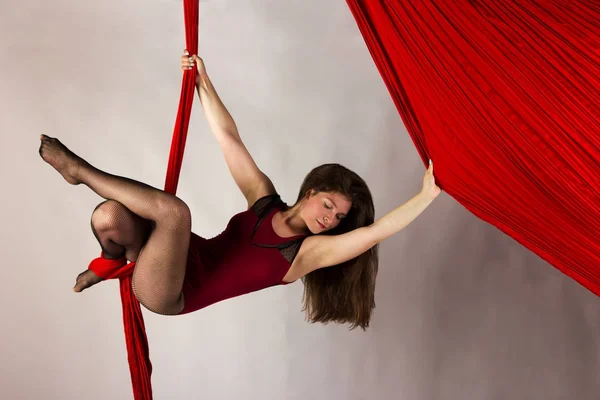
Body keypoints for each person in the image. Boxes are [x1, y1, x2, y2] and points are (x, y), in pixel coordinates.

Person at [38, 50, 441, 330]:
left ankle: (79, 172)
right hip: (172, 253)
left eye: (337, 219)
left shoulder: (306, 254)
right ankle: (109, 261)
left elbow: (373, 233)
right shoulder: (265, 202)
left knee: (175, 213)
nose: (330, 219)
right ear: (314, 189)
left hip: (171, 291)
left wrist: (425, 196)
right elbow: (229, 138)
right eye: (329, 205)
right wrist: (202, 79)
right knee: (110, 215)